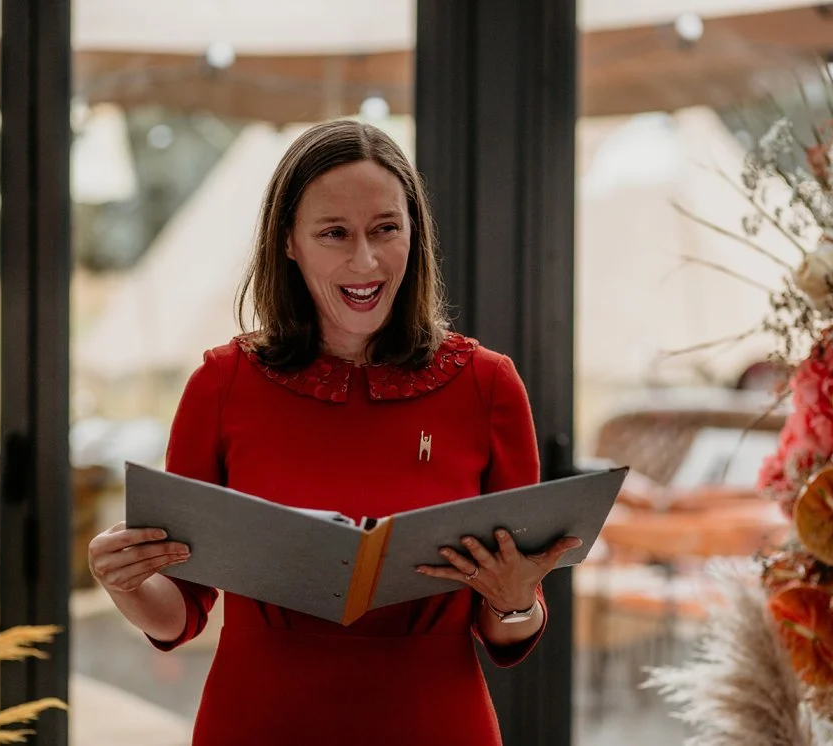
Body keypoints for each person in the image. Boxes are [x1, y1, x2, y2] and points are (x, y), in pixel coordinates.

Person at [87, 120, 583, 745]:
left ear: (414, 235)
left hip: (436, 721)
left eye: (385, 229)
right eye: (334, 234)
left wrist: (517, 600)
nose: (365, 261)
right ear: (288, 241)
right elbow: (180, 611)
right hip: (258, 722)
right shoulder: (220, 386)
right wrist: (124, 582)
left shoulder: (488, 386)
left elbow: (507, 629)